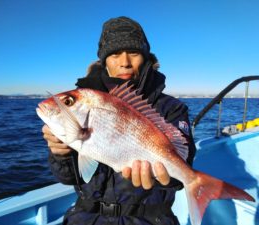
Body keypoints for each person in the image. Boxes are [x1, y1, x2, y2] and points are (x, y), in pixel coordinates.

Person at [42, 16, 196, 225]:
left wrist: (168, 179)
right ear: (104, 60)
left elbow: (182, 165)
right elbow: (69, 178)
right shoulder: (88, 102)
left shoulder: (171, 108)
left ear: (146, 57)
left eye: (133, 53)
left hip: (148, 219)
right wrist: (61, 154)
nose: (124, 62)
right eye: (114, 54)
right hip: (86, 217)